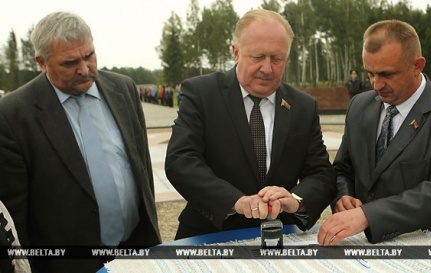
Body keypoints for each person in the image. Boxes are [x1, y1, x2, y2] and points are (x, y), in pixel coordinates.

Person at [0, 12, 161, 272]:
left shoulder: (123, 88)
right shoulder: (13, 114)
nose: (85, 69)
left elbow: (141, 169)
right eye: (70, 62)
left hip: (136, 249)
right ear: (42, 62)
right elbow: (14, 213)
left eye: (89, 56)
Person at [165, 9, 337, 239]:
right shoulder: (201, 94)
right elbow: (181, 161)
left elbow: (321, 173)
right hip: (210, 233)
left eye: (277, 59)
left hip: (282, 235)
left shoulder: (303, 106)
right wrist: (235, 201)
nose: (267, 68)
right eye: (258, 57)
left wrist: (295, 201)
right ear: (235, 52)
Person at [317, 20, 431, 246]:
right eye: (370, 74)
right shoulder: (359, 106)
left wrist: (368, 215)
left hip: (424, 250)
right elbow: (344, 168)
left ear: (417, 66)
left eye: (386, 74)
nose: (376, 85)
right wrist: (343, 196)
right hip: (362, 247)